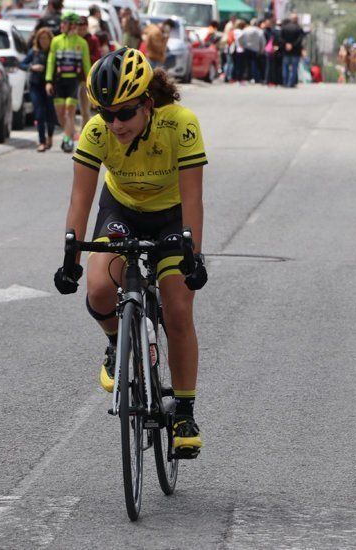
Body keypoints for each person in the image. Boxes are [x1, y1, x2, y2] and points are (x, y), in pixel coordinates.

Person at [54, 48, 208, 458]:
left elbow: (193, 198)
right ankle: (114, 342)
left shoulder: (181, 125)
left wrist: (194, 255)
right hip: (121, 210)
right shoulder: (98, 132)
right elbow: (81, 201)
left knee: (177, 305)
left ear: (147, 104)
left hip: (171, 216)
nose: (116, 123)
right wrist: (70, 259)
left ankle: (184, 411)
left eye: (125, 113)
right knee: (100, 286)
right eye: (107, 113)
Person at [46, 12, 91, 153]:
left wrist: (90, 82)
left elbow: (86, 64)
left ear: (71, 25)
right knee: (59, 113)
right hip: (59, 80)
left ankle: (67, 140)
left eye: (64, 23)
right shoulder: (56, 40)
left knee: (70, 111)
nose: (61, 25)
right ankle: (70, 132)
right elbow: (51, 61)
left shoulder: (82, 43)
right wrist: (48, 80)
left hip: (73, 80)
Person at [21, 28, 58, 152]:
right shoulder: (34, 52)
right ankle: (41, 141)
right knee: (39, 113)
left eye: (46, 38)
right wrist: (32, 67)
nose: (44, 41)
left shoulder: (54, 52)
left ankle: (50, 137)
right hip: (35, 86)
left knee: (50, 113)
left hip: (50, 86)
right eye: (41, 38)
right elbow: (22, 64)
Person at [78, 16, 101, 127]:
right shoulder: (73, 40)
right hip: (72, 77)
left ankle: (83, 134)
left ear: (86, 27)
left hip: (85, 78)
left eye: (83, 28)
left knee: (85, 111)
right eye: (79, 28)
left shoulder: (92, 40)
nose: (81, 31)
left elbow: (97, 57)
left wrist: (85, 56)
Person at [280, 13, 304, 87]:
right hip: (295, 52)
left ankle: (285, 82)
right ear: (296, 19)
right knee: (294, 68)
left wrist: (287, 44)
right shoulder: (299, 28)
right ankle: (291, 83)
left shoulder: (284, 27)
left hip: (286, 51)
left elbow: (281, 38)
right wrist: (292, 45)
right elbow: (300, 40)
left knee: (285, 67)